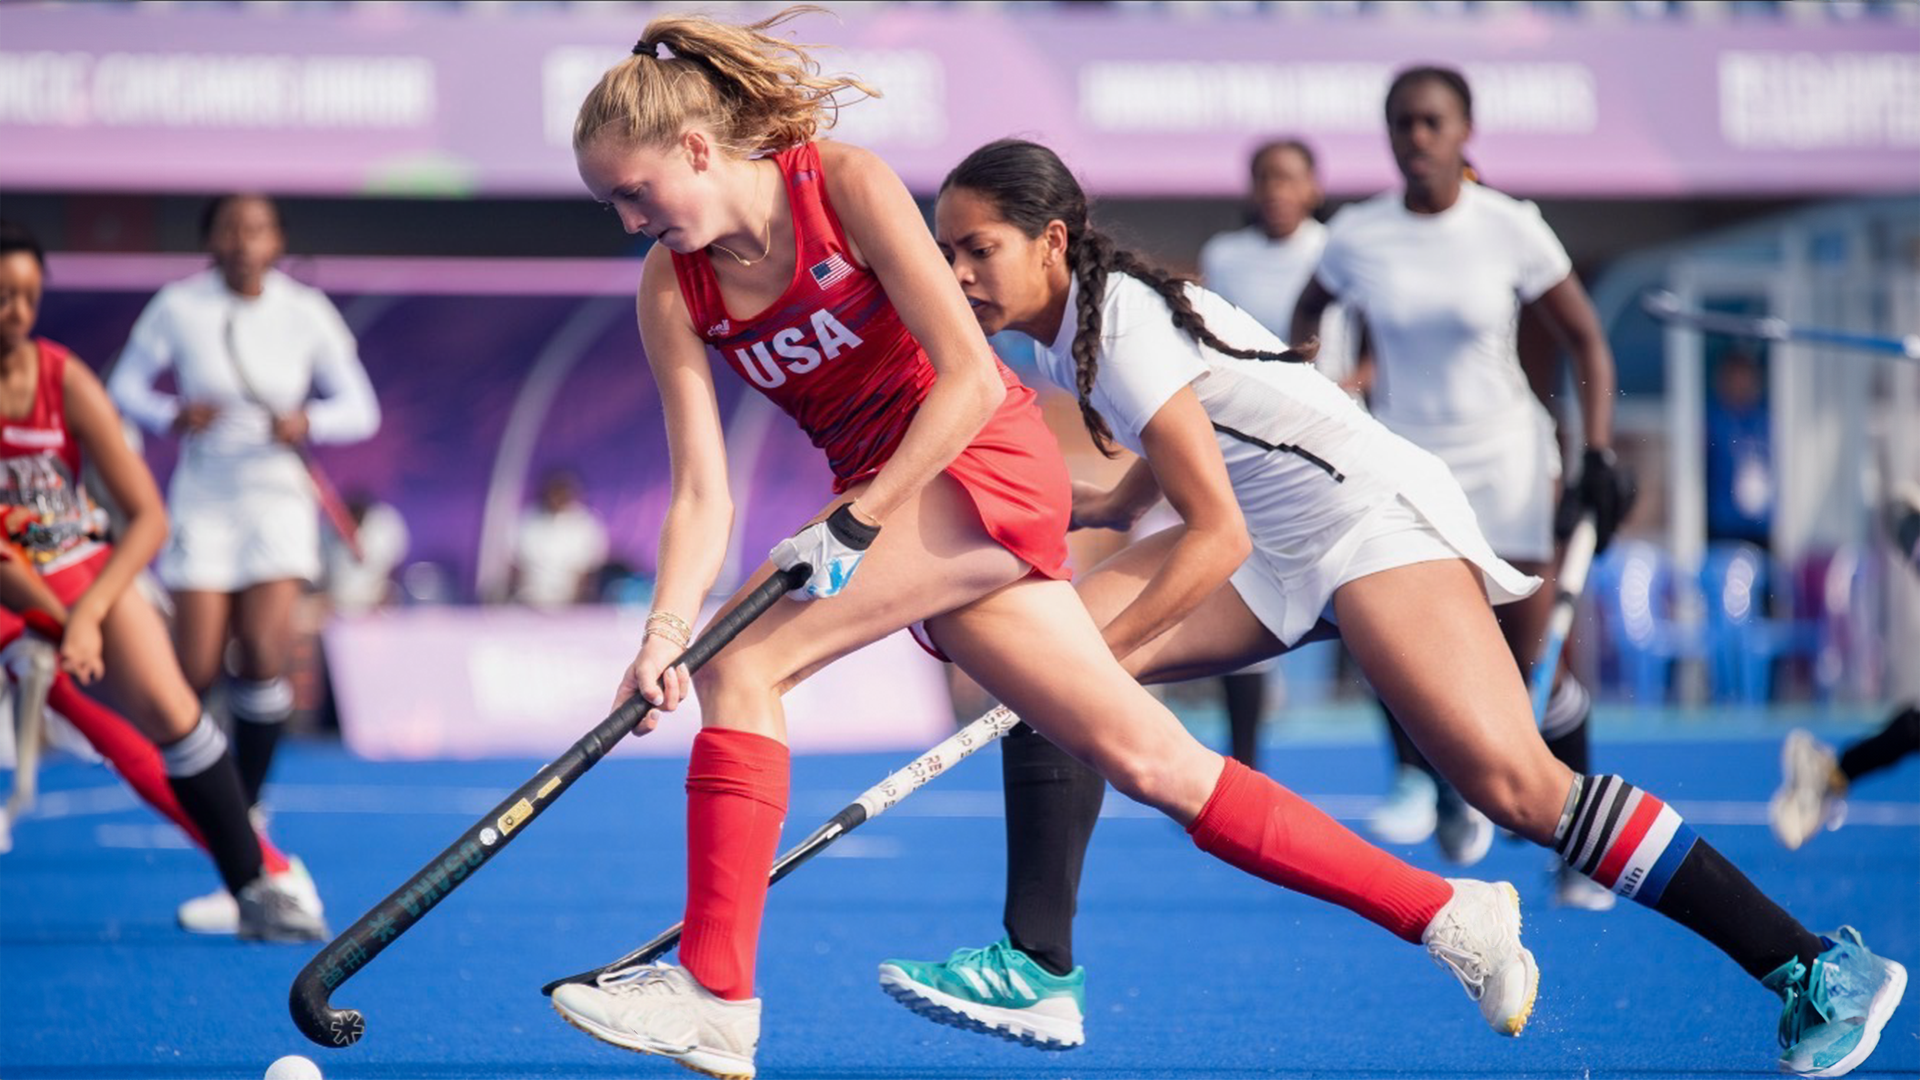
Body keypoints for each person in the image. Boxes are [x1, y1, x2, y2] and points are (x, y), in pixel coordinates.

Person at [545, 11, 1541, 1077]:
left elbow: (971, 376)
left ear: (698, 149)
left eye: (636, 193)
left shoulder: (838, 184)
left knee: (745, 666)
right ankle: (1451, 915)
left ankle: (716, 994)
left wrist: (862, 516)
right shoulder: (674, 289)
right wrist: (662, 629)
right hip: (904, 509)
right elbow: (702, 492)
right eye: (612, 203)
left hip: (977, 465)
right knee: (1154, 760)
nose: (629, 221)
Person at [876, 137, 1907, 1079]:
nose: (957, 272)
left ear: (1051, 241)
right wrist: (1115, 505)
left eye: (978, 249)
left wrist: (1115, 654)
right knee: (1048, 661)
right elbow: (1196, 432)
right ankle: (1040, 965)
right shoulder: (1061, 326)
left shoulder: (1121, 321)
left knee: (1519, 789)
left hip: (1367, 522)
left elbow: (1217, 529)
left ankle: (1814, 965)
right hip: (1274, 538)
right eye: (945, 251)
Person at [1290, 67, 1631, 905]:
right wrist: (1322, 396)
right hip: (1407, 466)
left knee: (1535, 661)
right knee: (1415, 651)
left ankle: (1581, 843)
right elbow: (1306, 320)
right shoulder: (1358, 235)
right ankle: (1450, 783)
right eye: (1402, 123)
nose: (1417, 137)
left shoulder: (1511, 227)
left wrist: (1597, 452)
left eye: (1432, 122)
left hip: (1508, 462)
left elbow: (1587, 342)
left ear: (1464, 129)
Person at [0, 218, 324, 940]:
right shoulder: (178, 310)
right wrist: (63, 622)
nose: (16, 314)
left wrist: (84, 616)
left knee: (166, 727)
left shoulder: (63, 378)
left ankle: (264, 881)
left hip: (81, 574)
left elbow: (144, 515)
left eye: (27, 296)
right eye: (2, 297)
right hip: (13, 591)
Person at [107, 193, 379, 933]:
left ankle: (246, 823)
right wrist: (169, 413)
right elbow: (121, 388)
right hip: (203, 501)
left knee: (263, 652)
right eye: (228, 227)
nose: (242, 239)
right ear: (209, 241)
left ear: (277, 240)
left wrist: (308, 420)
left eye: (256, 228)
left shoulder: (305, 311)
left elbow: (362, 407)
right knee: (191, 670)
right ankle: (230, 830)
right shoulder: (177, 307)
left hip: (276, 500)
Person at [509, 468, 610, 608]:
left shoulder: (585, 525)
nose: (559, 497)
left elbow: (588, 571)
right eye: (556, 492)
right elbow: (516, 564)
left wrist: (578, 602)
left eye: (564, 492)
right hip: (528, 601)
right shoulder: (529, 520)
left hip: (571, 603)